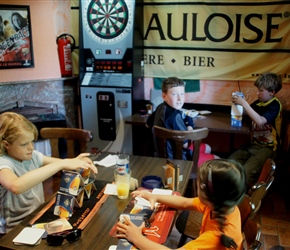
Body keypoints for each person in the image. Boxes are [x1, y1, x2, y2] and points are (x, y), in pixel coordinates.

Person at [0, 112, 98, 234]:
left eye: (32, 142)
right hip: (12, 229)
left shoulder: (32, 156)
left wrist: (77, 162)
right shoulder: (3, 163)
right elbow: (16, 186)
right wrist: (61, 164)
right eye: (24, 144)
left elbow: (63, 163)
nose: (31, 147)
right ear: (6, 145)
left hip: (36, 215)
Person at [117, 159, 247, 249]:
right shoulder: (223, 205)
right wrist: (154, 196)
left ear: (206, 194)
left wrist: (136, 238)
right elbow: (185, 202)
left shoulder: (214, 238)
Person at [146, 77, 219, 166]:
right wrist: (190, 125)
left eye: (182, 94)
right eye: (174, 94)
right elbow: (186, 144)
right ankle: (192, 175)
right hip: (178, 160)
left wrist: (185, 120)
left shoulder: (160, 107)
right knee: (217, 158)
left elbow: (148, 124)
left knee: (207, 148)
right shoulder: (175, 116)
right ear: (164, 96)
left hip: (161, 156)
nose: (180, 99)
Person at [229, 72, 282, 187]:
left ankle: (247, 196)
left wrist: (244, 103)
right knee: (230, 163)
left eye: (261, 91)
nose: (257, 93)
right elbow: (246, 112)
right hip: (254, 144)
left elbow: (260, 121)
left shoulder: (275, 105)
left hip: (269, 147)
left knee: (247, 171)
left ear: (272, 92)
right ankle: (232, 190)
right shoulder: (259, 103)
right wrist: (237, 105)